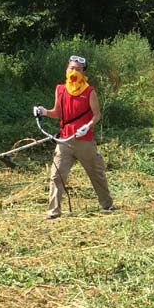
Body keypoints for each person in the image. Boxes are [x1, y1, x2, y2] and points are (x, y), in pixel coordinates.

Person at [35, 55, 114, 220]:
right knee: (56, 175)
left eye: (78, 69)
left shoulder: (89, 91)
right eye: (71, 68)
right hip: (64, 141)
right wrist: (43, 111)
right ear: (66, 70)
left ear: (83, 72)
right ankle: (53, 212)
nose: (74, 71)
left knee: (96, 173)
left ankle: (107, 205)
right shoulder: (60, 90)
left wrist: (87, 127)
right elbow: (56, 113)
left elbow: (97, 115)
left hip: (84, 142)